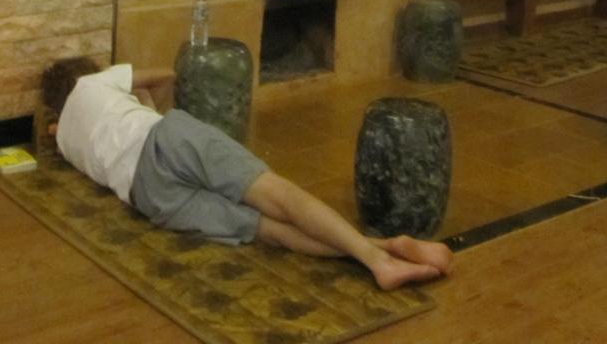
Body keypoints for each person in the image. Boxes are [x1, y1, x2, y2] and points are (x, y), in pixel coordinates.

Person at [41, 57, 453, 291]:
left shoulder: (63, 140)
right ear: (86, 72)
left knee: (267, 230)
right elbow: (164, 73)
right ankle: (377, 258)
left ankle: (386, 250)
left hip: (146, 195)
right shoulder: (94, 81)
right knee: (279, 196)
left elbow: (57, 132)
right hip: (164, 137)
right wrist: (152, 108)